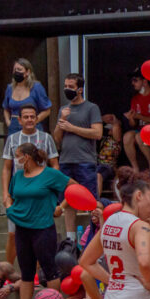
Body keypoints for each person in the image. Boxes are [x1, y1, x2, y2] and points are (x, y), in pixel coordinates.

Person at [6, 144, 74, 299]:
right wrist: (9, 206)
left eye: (18, 155)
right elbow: (10, 195)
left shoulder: (50, 174)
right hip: (22, 228)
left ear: (26, 157)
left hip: (43, 228)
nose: (16, 160)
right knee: (26, 272)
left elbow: (74, 186)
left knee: (50, 269)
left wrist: (61, 206)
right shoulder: (18, 176)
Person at [2, 105, 59, 263]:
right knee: (13, 234)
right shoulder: (13, 139)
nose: (29, 120)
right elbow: (7, 168)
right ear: (19, 120)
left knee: (40, 234)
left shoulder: (46, 138)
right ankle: (8, 273)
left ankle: (38, 275)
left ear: (37, 118)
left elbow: (54, 164)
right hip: (18, 193)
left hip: (40, 194)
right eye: (26, 117)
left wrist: (52, 189)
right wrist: (5, 193)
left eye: (32, 116)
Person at [53, 73, 103, 241]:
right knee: (67, 200)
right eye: (65, 86)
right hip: (66, 160)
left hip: (85, 160)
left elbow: (97, 133)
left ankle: (94, 236)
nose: (67, 89)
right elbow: (57, 138)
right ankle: (71, 239)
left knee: (90, 200)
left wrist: (72, 127)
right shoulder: (63, 109)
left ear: (80, 89)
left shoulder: (91, 108)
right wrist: (62, 120)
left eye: (71, 87)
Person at [122, 71, 150, 170]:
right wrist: (131, 118)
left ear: (145, 82)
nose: (133, 83)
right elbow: (133, 125)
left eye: (135, 80)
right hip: (140, 129)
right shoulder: (135, 98)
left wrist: (139, 116)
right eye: (132, 81)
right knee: (127, 136)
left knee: (139, 136)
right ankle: (135, 168)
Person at [2, 59, 51, 134]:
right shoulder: (10, 88)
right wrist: (8, 122)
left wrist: (34, 121)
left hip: (32, 126)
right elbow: (6, 108)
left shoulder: (36, 87)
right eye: (14, 69)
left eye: (19, 69)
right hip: (14, 126)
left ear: (27, 72)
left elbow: (47, 110)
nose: (16, 72)